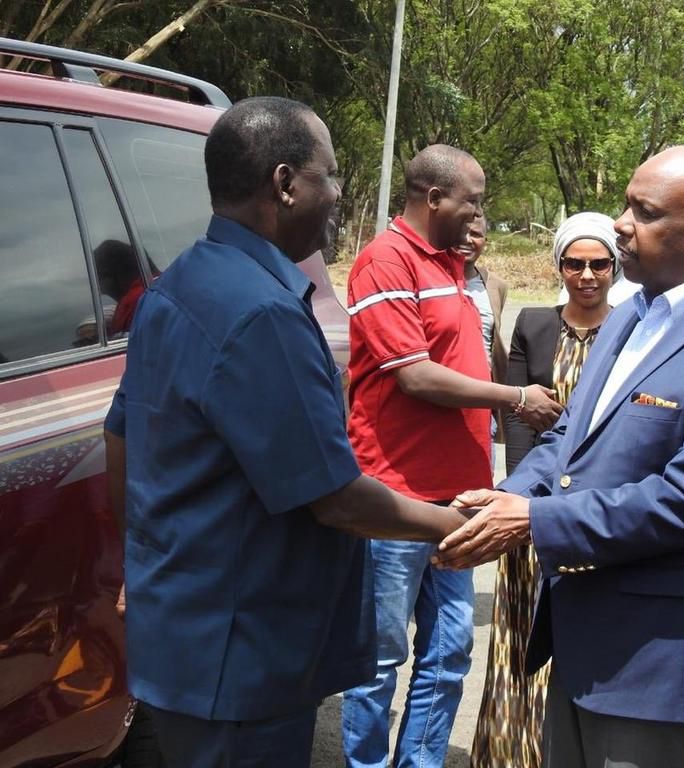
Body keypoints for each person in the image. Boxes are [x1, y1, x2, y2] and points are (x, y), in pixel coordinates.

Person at [102, 97, 473, 768]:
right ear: (284, 183)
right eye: (330, 175)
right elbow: (334, 497)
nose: (337, 193)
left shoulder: (178, 284)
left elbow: (122, 434)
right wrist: (461, 527)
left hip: (186, 634)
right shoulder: (260, 315)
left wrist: (138, 560)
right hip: (242, 656)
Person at [434, 145, 684, 768]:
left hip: (659, 663)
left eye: (645, 212)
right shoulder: (633, 314)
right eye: (626, 204)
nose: (620, 225)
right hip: (582, 638)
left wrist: (535, 522)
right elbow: (569, 437)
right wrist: (516, 493)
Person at [342, 144, 562, 768]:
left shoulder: (454, 269)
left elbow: (466, 360)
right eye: (472, 199)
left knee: (446, 656)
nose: (478, 213)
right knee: (379, 657)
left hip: (461, 496)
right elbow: (415, 377)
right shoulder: (385, 261)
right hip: (395, 497)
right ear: (433, 197)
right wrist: (516, 397)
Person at [471, 211, 618, 768]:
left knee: (576, 636)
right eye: (574, 263)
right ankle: (513, 754)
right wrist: (519, 498)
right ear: (559, 265)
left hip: (589, 512)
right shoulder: (534, 323)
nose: (586, 275)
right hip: (528, 503)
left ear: (613, 267)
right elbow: (513, 416)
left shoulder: (629, 329)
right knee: (519, 632)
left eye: (599, 263)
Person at [460, 215, 509, 444]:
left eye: (476, 235)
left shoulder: (495, 285)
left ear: (485, 240)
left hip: (483, 406)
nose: (468, 240)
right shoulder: (432, 280)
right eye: (463, 232)